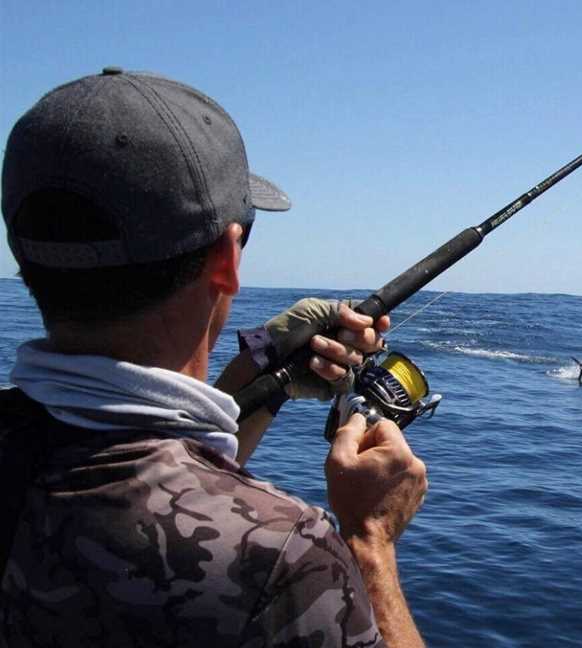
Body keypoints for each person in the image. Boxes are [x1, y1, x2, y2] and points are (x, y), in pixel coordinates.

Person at [0, 68, 427, 647]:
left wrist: (262, 371)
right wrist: (370, 540)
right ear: (228, 258)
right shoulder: (281, 558)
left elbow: (154, 459)